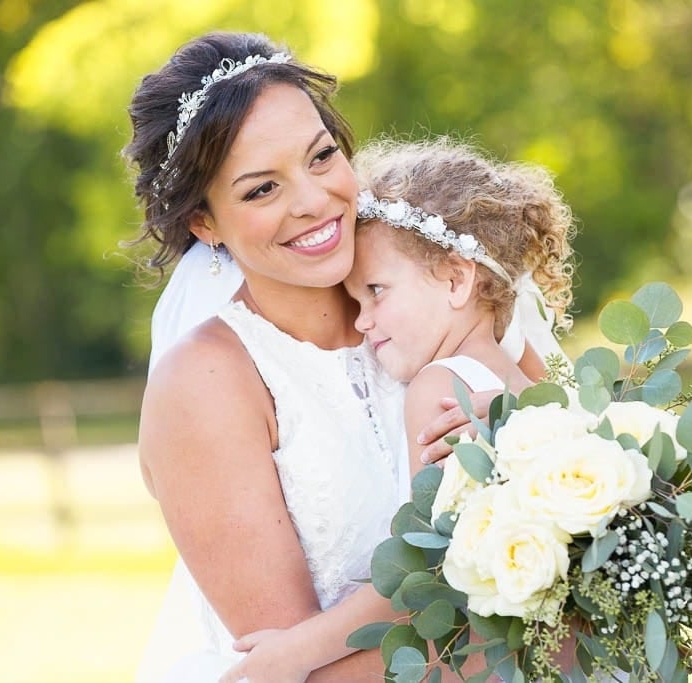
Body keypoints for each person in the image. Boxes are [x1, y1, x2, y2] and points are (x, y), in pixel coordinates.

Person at [126, 32, 569, 682]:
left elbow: (590, 466)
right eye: (260, 190)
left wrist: (524, 433)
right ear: (205, 224)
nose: (312, 200)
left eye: (322, 155)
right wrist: (555, 649)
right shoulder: (206, 385)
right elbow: (294, 671)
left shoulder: (436, 286)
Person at [219, 137, 576, 682]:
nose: (362, 323)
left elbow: (425, 568)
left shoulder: (439, 387)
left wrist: (297, 651)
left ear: (456, 279)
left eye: (376, 292)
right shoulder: (525, 382)